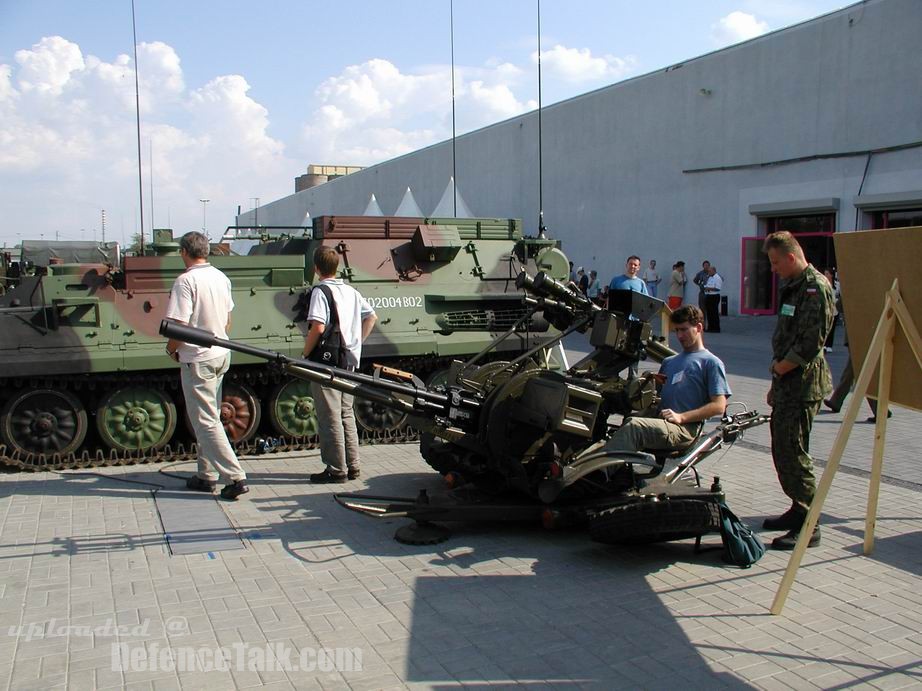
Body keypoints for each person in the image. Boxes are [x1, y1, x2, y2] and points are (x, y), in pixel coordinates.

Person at [763, 231, 834, 550]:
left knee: (794, 451)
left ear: (791, 257)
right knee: (783, 447)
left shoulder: (815, 288)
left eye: (776, 263)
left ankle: (810, 522)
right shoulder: (794, 286)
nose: (773, 269)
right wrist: (775, 381)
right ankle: (798, 507)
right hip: (788, 382)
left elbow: (810, 342)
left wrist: (780, 369)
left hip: (803, 383)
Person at [165, 231, 248, 500]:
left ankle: (235, 477)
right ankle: (206, 474)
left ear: (183, 252)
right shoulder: (221, 277)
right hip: (220, 353)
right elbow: (228, 319)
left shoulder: (185, 281)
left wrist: (170, 349)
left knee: (205, 421)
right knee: (209, 415)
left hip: (197, 358)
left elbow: (179, 325)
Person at [604, 305, 730, 455]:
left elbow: (719, 406)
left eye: (684, 329)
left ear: (699, 327)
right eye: (676, 330)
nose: (680, 336)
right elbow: (654, 397)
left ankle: (601, 473)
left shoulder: (711, 363)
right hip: (663, 422)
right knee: (625, 422)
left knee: (634, 427)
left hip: (685, 429)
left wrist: (682, 417)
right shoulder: (669, 362)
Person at [303, 246, 378, 483]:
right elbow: (371, 316)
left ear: (316, 268)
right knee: (346, 414)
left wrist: (305, 354)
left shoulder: (320, 291)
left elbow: (318, 326)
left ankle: (336, 469)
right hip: (348, 362)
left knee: (329, 417)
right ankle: (353, 466)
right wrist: (357, 343)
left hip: (328, 363)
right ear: (337, 267)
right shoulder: (350, 291)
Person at [703, 266, 723, 333]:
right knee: (709, 313)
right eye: (708, 271)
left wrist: (709, 289)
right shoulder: (710, 277)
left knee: (714, 313)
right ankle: (710, 327)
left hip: (714, 296)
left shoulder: (717, 277)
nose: (708, 272)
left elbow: (718, 288)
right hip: (709, 295)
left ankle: (716, 328)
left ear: (714, 271)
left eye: (710, 271)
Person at [823, 268, 838, 352]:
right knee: (825, 328)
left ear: (831, 275)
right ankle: (824, 344)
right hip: (825, 309)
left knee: (832, 328)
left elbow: (839, 296)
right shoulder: (823, 284)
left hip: (834, 310)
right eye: (825, 273)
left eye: (827, 273)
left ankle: (829, 345)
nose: (826, 275)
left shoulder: (837, 285)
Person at [693, 260, 711, 330]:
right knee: (702, 310)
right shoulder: (700, 273)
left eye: (708, 265)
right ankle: (702, 326)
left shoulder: (711, 273)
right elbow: (695, 280)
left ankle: (710, 326)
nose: (706, 266)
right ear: (703, 266)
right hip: (702, 293)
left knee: (709, 310)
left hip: (710, 294)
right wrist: (700, 285)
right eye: (705, 265)